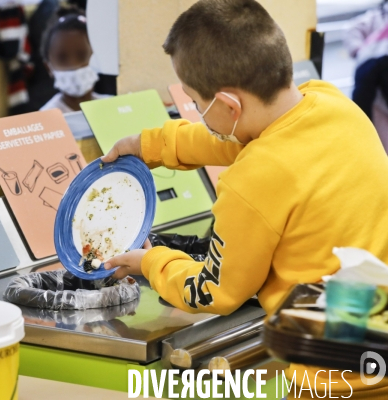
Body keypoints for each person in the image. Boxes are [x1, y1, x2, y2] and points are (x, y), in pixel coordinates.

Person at [102, 0, 388, 398]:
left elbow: (214, 291)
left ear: (229, 104)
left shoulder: (251, 180)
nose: (199, 113)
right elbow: (243, 140)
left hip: (332, 377)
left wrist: (150, 262)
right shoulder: (331, 103)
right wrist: (150, 145)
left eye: (198, 103)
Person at [39, 8, 109, 113]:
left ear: (98, 60)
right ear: (49, 67)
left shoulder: (115, 108)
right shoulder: (44, 121)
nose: (73, 65)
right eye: (62, 57)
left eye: (82, 55)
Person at [346, 0, 388, 153]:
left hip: (367, 66)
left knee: (365, 115)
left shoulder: (375, 15)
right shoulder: (376, 15)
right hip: (374, 65)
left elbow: (353, 31)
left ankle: (363, 146)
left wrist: (360, 51)